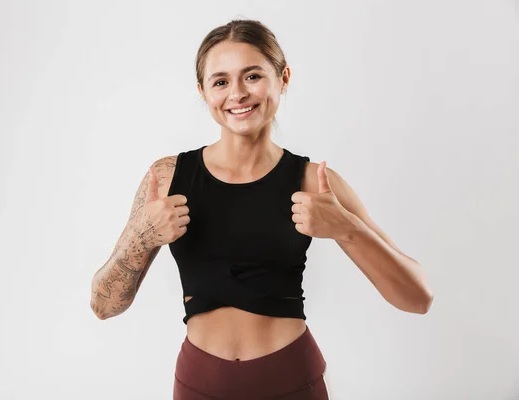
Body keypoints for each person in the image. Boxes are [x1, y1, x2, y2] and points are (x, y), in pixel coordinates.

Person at [90, 19, 434, 400]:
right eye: (220, 81)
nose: (237, 94)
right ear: (203, 91)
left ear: (283, 78)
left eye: (252, 76)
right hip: (199, 386)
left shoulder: (314, 181)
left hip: (291, 382)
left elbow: (418, 298)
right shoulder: (167, 177)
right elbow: (104, 306)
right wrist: (142, 238)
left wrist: (346, 228)